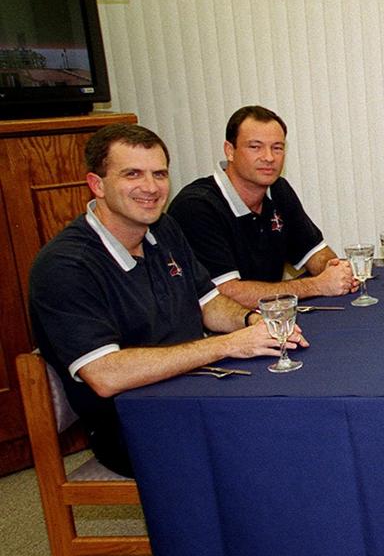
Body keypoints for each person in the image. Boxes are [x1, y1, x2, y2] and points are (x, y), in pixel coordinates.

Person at [28, 124, 305, 477]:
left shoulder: (163, 228)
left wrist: (253, 323)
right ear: (97, 184)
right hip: (133, 425)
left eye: (159, 174)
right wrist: (227, 346)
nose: (150, 187)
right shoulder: (65, 266)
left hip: (193, 389)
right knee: (280, 439)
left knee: (297, 409)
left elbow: (209, 304)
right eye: (133, 174)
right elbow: (104, 375)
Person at [168, 105, 356, 308]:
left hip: (272, 318)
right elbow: (226, 294)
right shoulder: (196, 207)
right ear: (230, 151)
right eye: (255, 147)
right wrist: (317, 286)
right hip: (219, 332)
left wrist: (335, 270)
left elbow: (314, 252)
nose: (268, 157)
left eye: (277, 148)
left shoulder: (277, 189)